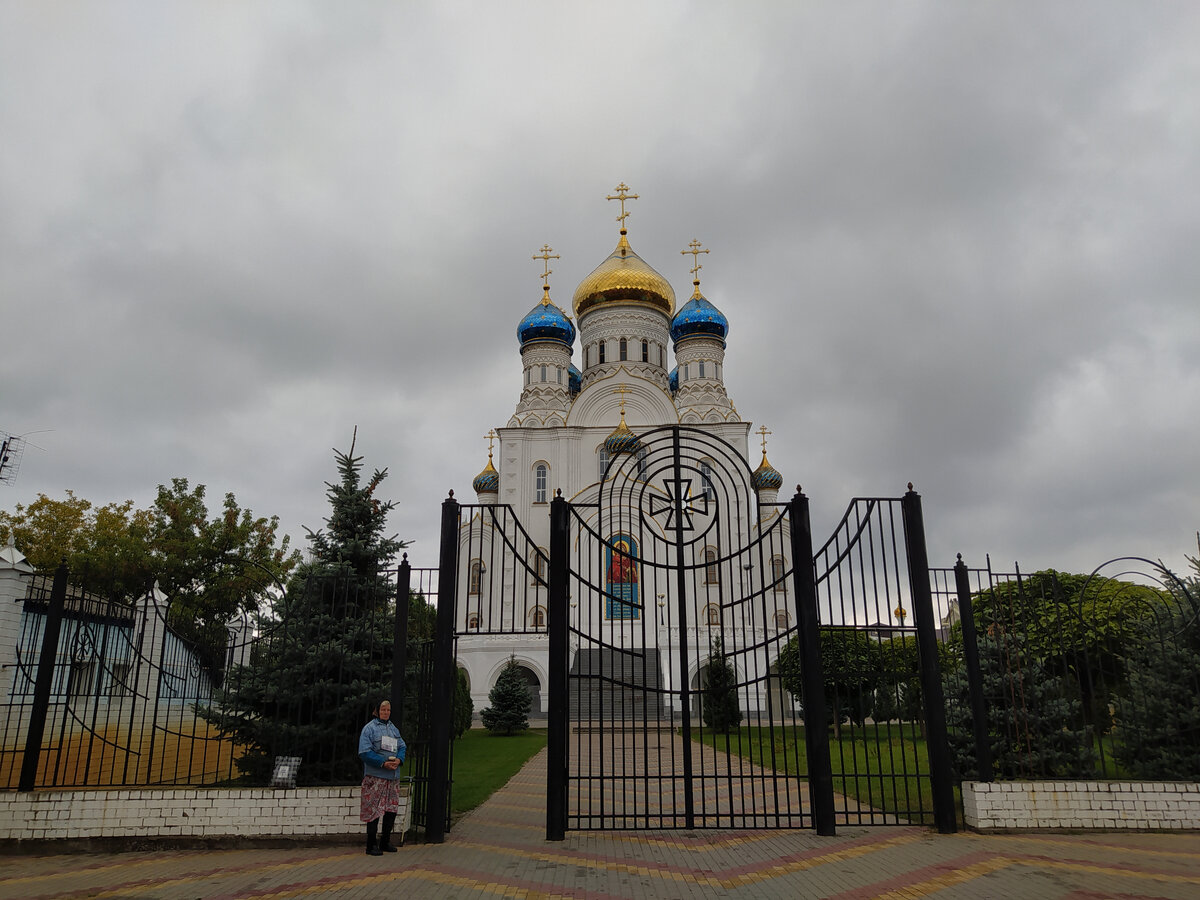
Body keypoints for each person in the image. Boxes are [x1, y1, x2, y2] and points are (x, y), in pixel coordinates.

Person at [358, 699, 406, 855]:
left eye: (389, 710)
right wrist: (383, 763)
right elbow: (364, 752)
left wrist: (399, 759)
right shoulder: (369, 729)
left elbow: (402, 746)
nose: (386, 713)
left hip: (392, 777)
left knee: (390, 809)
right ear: (377, 711)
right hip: (376, 776)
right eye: (383, 710)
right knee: (374, 809)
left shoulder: (393, 729)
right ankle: (371, 845)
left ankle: (385, 841)